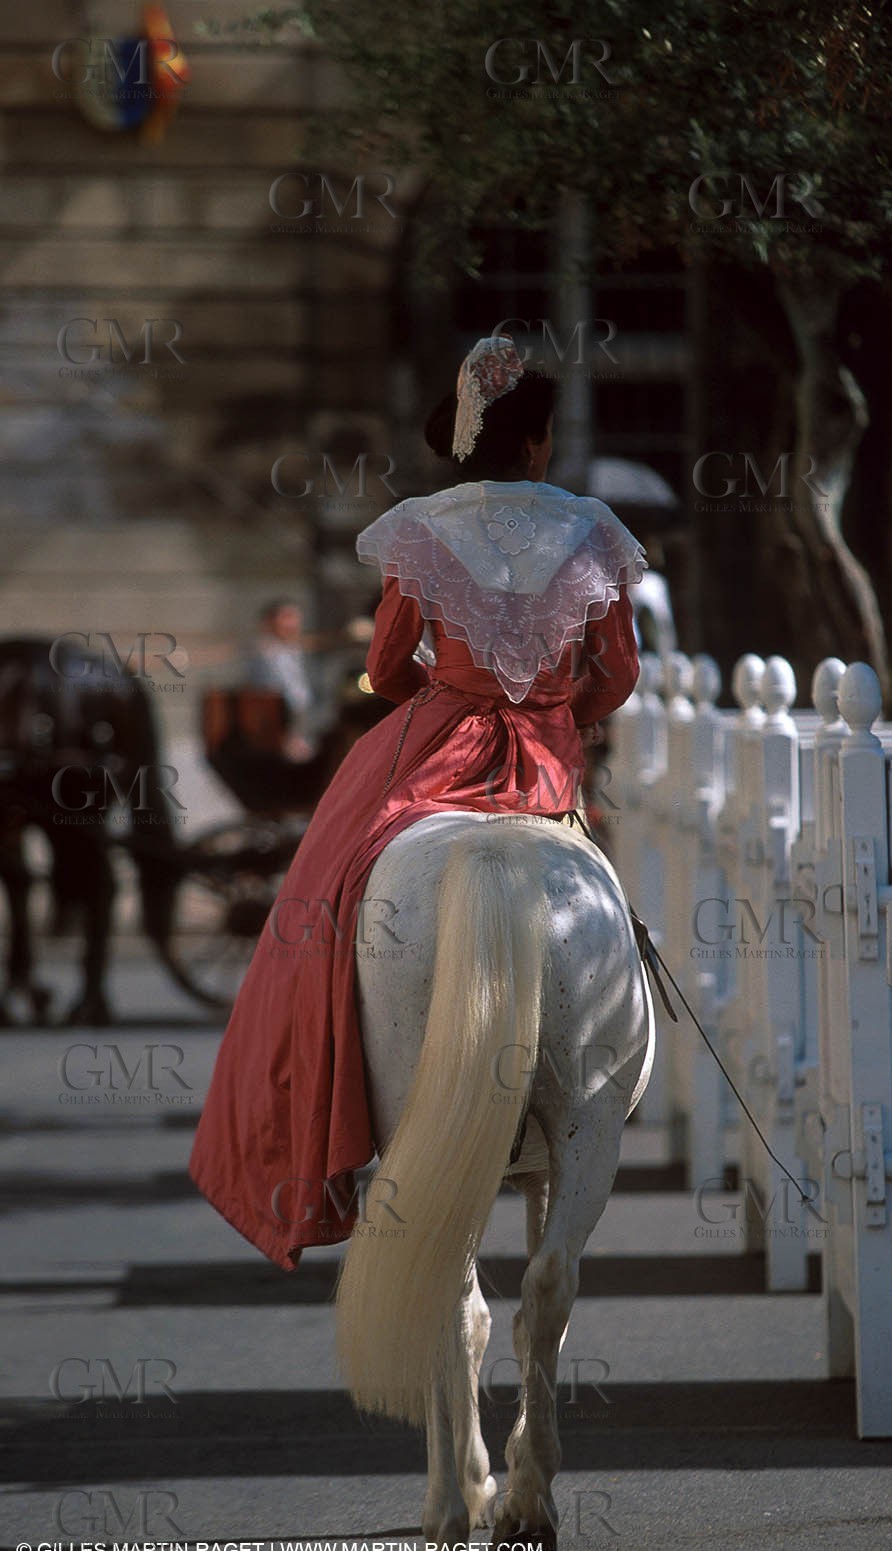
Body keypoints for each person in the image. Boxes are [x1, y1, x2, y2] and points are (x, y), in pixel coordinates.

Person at [189, 334, 647, 1268]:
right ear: (534, 444)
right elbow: (620, 673)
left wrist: (458, 692)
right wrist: (560, 713)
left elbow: (385, 667)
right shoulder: (590, 527)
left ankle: (318, 1117)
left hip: (438, 746)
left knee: (326, 891)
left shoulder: (423, 528)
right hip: (549, 761)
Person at [245, 598, 317, 763]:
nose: (293, 623)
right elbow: (276, 693)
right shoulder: (264, 654)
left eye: (295, 617)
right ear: (270, 622)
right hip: (278, 729)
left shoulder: (297, 650)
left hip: (303, 726)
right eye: (286, 617)